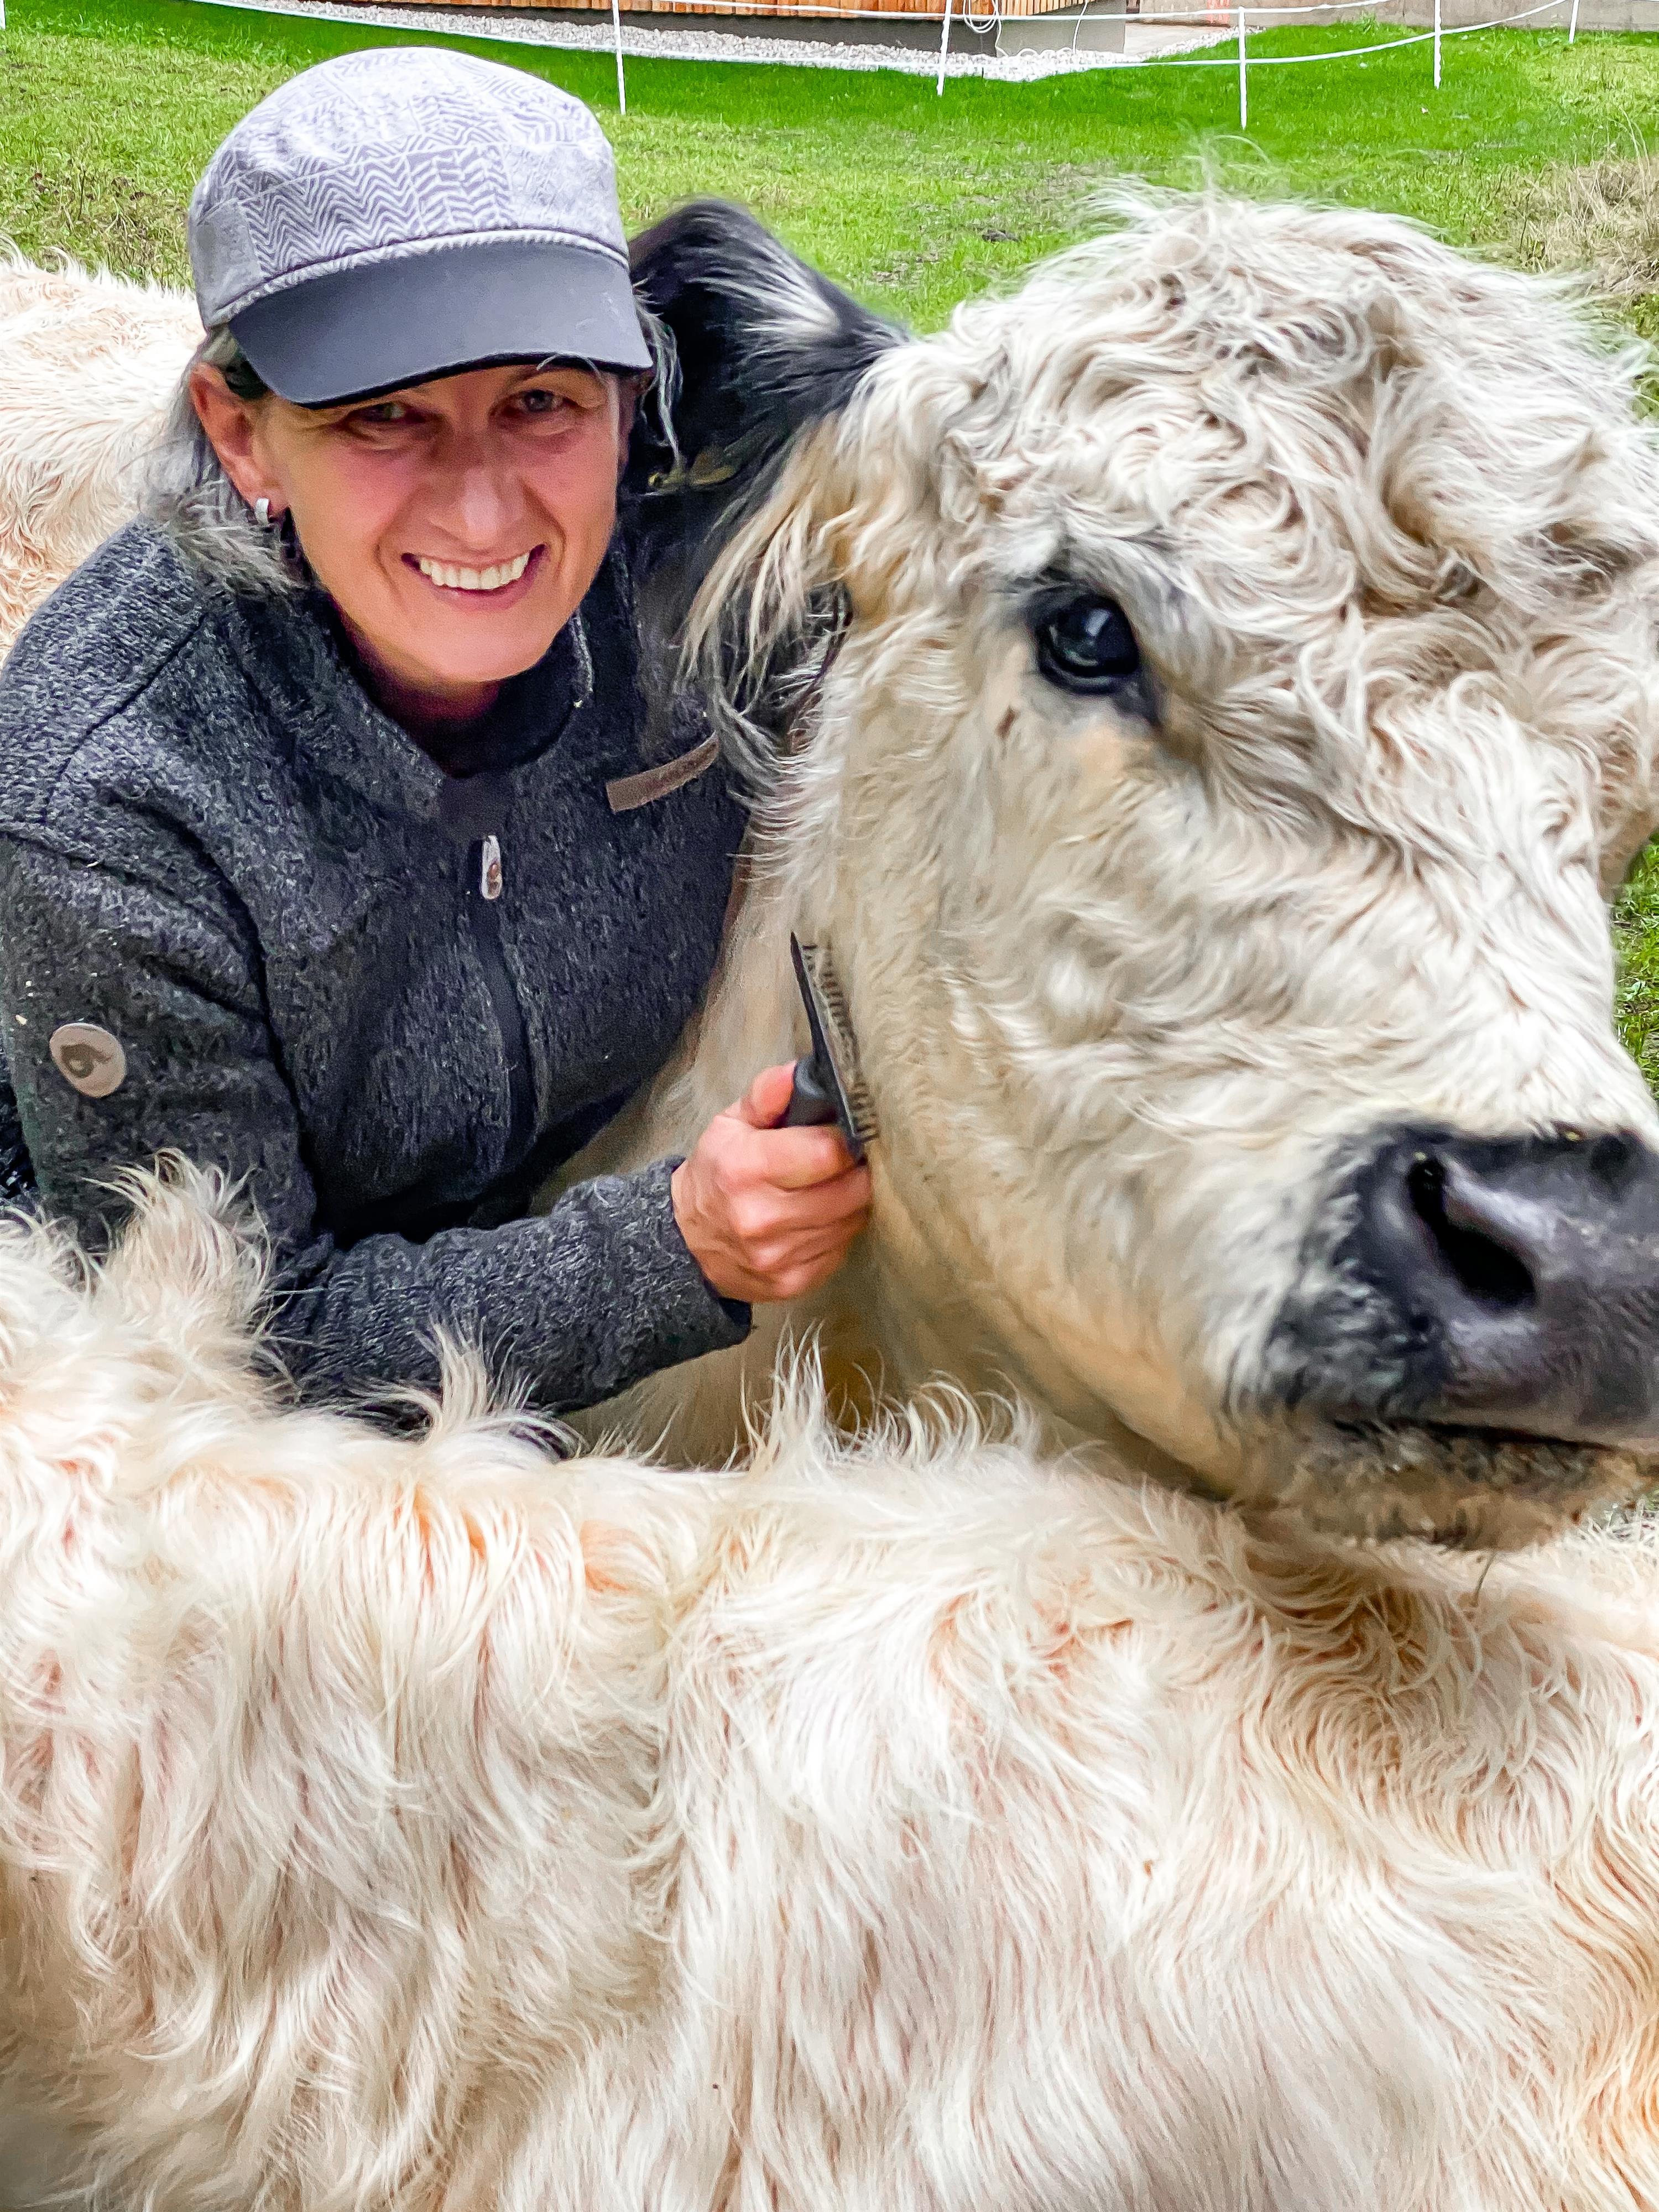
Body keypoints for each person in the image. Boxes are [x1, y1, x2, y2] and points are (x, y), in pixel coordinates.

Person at [0, 47, 870, 1414]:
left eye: (542, 401)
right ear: (240, 435)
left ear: (631, 395)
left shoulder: (705, 575)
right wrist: (670, 1249)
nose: (482, 512)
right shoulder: (115, 798)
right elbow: (224, 1352)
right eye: (384, 417)